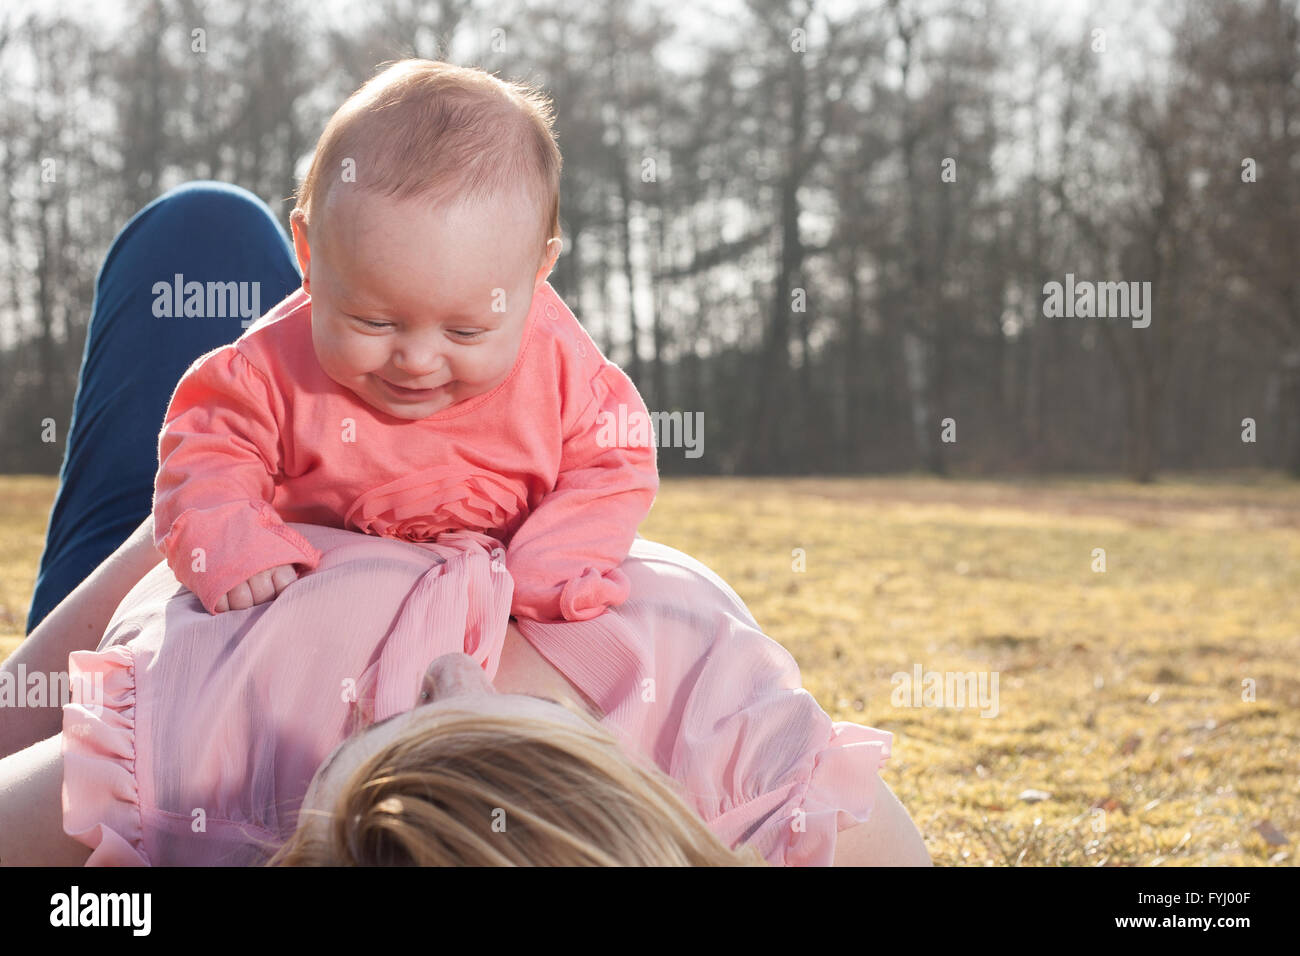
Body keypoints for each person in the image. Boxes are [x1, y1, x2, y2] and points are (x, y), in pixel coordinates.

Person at [3, 180, 930, 867]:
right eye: (513, 746)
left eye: (398, 747)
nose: (449, 668)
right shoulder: (754, 776)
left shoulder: (204, 759)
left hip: (197, 540)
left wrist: (171, 538)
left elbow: (21, 729)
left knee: (197, 233)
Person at [152, 59, 658, 623]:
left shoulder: (563, 368)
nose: (416, 361)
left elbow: (615, 463)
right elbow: (207, 451)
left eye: (465, 331)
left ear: (537, 273)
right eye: (374, 322)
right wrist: (233, 542)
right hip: (334, 606)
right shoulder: (269, 371)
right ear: (310, 255)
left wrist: (553, 562)